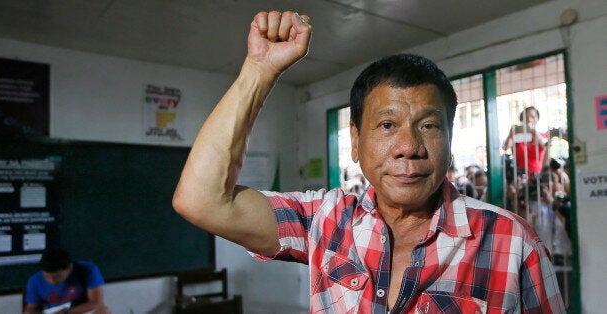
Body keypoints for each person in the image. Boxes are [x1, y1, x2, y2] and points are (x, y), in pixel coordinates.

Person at [172, 10, 564, 313]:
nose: (408, 146)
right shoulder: (326, 220)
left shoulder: (512, 244)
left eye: (428, 125)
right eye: (387, 125)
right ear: (355, 142)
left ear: (449, 138)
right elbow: (201, 199)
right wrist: (258, 71)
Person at [23, 249, 111, 314]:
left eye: (57, 277)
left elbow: (96, 303)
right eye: (47, 276)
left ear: (69, 268)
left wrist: (65, 313)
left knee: (104, 312)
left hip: (78, 310)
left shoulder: (87, 270)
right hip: (53, 311)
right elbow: (31, 308)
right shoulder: (34, 280)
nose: (52, 281)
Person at [504, 106, 548, 177]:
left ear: (537, 119)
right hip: (519, 176)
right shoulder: (517, 136)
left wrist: (535, 133)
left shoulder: (542, 135)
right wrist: (510, 134)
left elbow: (545, 145)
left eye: (533, 117)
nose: (529, 120)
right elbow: (505, 147)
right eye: (526, 118)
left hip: (537, 175)